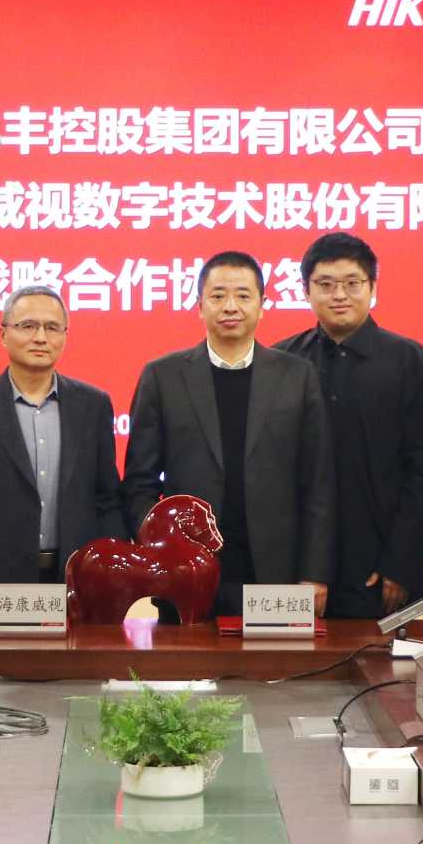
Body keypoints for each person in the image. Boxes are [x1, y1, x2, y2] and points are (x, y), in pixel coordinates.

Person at [122, 251, 335, 617]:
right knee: (184, 656)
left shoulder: (297, 377)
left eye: (243, 295)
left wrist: (314, 573)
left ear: (262, 305)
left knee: (277, 656)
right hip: (185, 575)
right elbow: (139, 483)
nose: (230, 306)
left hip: (277, 574)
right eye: (218, 295)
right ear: (200, 306)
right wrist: (161, 555)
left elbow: (318, 483)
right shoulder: (163, 377)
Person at [272, 233, 423, 618]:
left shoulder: (411, 362)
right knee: (285, 656)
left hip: (381, 572)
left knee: (386, 658)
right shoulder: (281, 362)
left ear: (373, 288)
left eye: (352, 283)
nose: (340, 295)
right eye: (325, 284)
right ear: (305, 291)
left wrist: (401, 562)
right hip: (294, 570)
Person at [0, 286, 126, 616]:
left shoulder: (93, 405)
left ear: (65, 336)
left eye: (52, 327)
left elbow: (106, 500)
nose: (40, 337)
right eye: (27, 326)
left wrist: (111, 575)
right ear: (3, 334)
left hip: (78, 585)